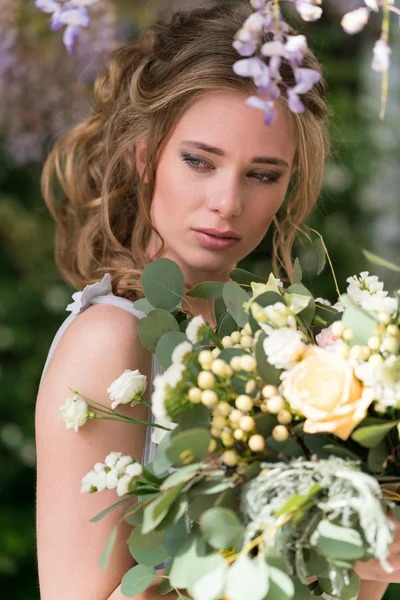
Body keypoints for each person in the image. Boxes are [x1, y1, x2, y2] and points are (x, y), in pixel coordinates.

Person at [34, 3, 399, 600]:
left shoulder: (293, 344)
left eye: (262, 175)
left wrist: (365, 552)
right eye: (199, 161)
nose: (227, 202)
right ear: (144, 153)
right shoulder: (112, 340)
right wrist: (302, 539)